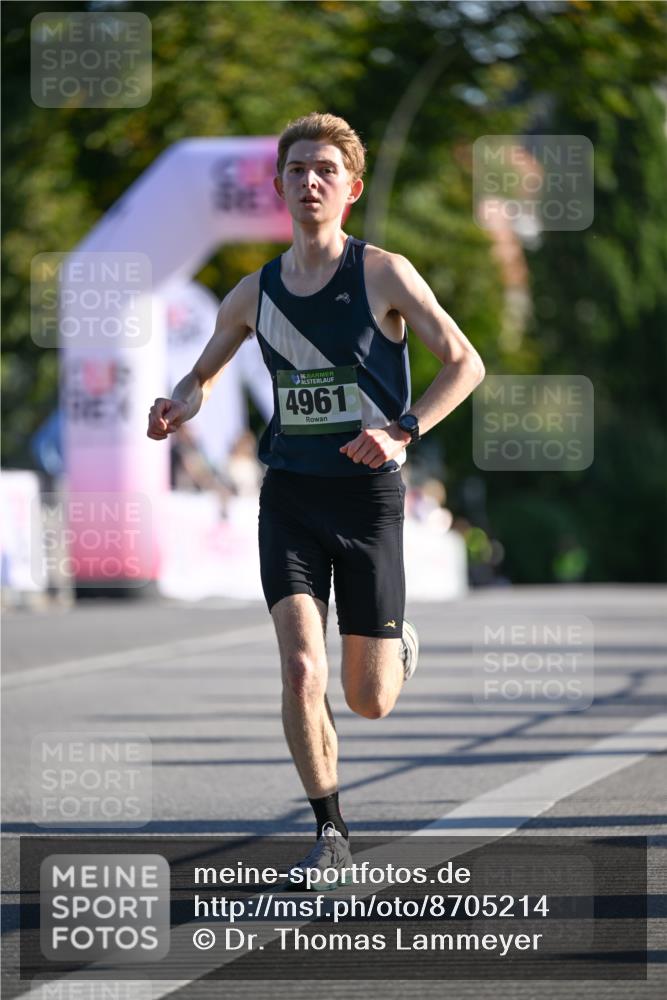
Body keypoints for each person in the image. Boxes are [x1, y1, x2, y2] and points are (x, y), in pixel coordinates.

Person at [147, 112, 485, 889]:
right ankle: (330, 833)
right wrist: (176, 405)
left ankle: (395, 648)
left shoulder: (384, 274)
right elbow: (200, 376)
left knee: (366, 699)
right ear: (279, 186)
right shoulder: (253, 291)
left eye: (325, 171)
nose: (309, 182)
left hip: (368, 499)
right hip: (291, 499)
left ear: (351, 189)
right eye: (296, 170)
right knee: (301, 670)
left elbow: (464, 364)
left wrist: (403, 431)